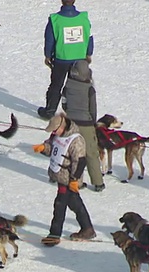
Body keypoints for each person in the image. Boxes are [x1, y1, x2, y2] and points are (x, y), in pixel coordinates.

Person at [34, 113, 96, 245]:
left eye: (55, 130)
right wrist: (44, 148)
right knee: (75, 203)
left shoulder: (76, 140)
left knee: (59, 205)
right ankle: (87, 229)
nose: (54, 133)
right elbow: (54, 148)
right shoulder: (58, 136)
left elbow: (80, 162)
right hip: (61, 177)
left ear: (62, 127)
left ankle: (54, 235)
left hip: (69, 179)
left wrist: (74, 180)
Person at [38, 0, 94, 119]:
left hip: (61, 59)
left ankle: (50, 110)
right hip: (79, 59)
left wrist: (47, 55)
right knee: (77, 87)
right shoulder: (84, 18)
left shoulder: (55, 19)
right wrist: (88, 53)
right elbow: (89, 37)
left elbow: (49, 40)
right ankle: (78, 113)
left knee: (56, 85)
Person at [61, 59, 104, 192]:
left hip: (71, 124)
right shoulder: (90, 89)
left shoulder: (67, 85)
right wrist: (93, 122)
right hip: (86, 124)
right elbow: (93, 109)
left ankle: (74, 181)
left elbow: (64, 103)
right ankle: (98, 182)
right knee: (91, 153)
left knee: (73, 153)